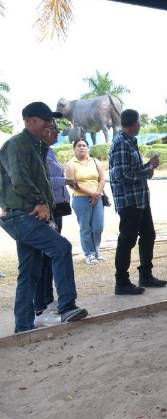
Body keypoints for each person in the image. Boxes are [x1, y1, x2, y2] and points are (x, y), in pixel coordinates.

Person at [0, 102, 88, 332]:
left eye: (51, 121)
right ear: (29, 121)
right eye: (45, 121)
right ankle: (67, 306)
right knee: (60, 248)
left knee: (29, 270)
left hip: (26, 214)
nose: (50, 125)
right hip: (20, 214)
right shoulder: (17, 145)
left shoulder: (38, 147)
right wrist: (40, 202)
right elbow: (19, 180)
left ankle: (23, 325)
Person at [109, 109, 165, 295]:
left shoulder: (130, 143)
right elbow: (121, 175)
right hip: (129, 201)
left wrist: (148, 166)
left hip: (139, 199)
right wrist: (146, 172)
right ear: (134, 123)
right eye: (139, 122)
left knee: (148, 234)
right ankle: (121, 281)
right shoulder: (121, 144)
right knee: (127, 239)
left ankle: (146, 275)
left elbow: (131, 170)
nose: (140, 125)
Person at [33, 120, 76, 326]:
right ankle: (41, 305)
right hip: (43, 210)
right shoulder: (37, 152)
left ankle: (48, 302)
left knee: (50, 258)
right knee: (44, 257)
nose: (58, 132)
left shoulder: (49, 152)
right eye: (55, 129)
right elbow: (45, 180)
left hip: (55, 208)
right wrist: (66, 181)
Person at [66, 138, 106, 265]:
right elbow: (72, 184)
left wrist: (97, 193)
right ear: (74, 149)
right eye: (79, 146)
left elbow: (102, 179)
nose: (82, 147)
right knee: (85, 227)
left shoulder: (95, 162)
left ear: (88, 148)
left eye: (84, 145)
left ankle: (96, 250)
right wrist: (91, 193)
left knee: (98, 226)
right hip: (81, 198)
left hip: (97, 197)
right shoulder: (71, 164)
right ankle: (89, 254)